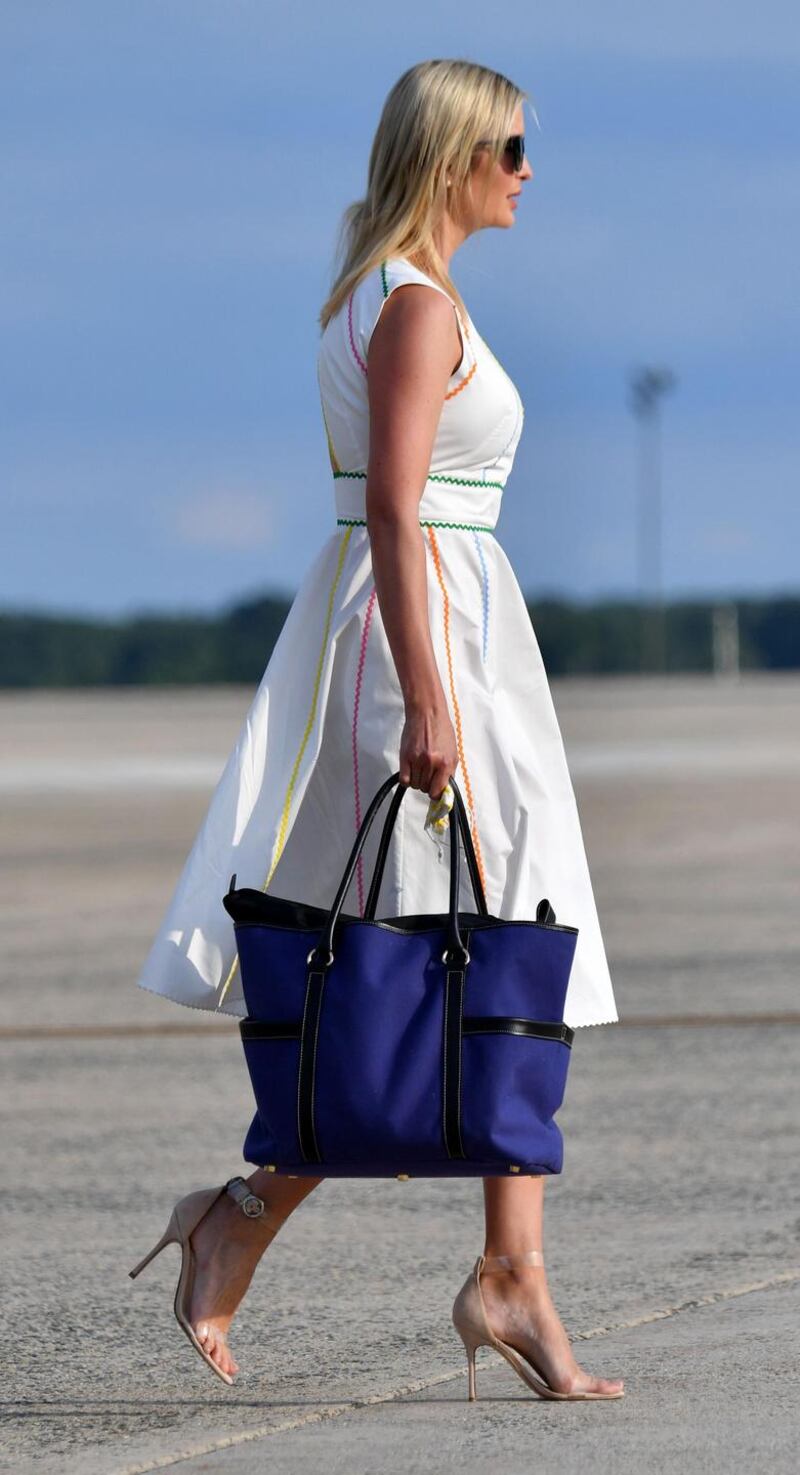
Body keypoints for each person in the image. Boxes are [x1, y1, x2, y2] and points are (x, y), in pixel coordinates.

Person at [131, 58, 624, 1401]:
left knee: (499, 943)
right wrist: (429, 699)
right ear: (457, 151)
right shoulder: (409, 304)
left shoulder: (405, 291)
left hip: (450, 631)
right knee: (407, 963)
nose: (528, 168)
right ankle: (254, 1218)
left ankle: (504, 1270)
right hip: (425, 641)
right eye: (512, 144)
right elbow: (400, 511)